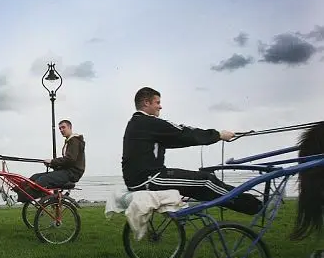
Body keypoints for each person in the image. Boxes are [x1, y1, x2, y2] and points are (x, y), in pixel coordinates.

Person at [121, 87, 263, 215]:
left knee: (201, 186)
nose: (160, 106)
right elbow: (184, 133)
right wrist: (219, 135)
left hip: (140, 179)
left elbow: (177, 140)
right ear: (146, 103)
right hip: (150, 179)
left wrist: (210, 139)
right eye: (157, 102)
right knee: (207, 180)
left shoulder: (136, 123)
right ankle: (257, 207)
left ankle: (244, 203)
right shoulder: (149, 122)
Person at [17, 119, 86, 202]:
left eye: (63, 127)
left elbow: (70, 160)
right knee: (35, 177)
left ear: (70, 127)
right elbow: (67, 162)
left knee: (42, 180)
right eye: (60, 128)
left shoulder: (74, 140)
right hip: (67, 171)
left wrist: (52, 161)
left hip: (72, 173)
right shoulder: (69, 141)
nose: (61, 130)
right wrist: (52, 164)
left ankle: (22, 197)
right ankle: (16, 191)